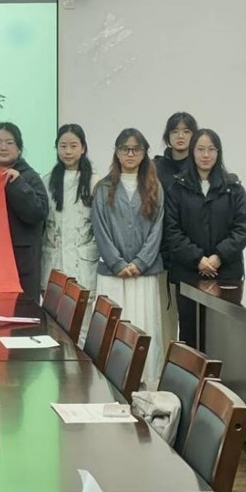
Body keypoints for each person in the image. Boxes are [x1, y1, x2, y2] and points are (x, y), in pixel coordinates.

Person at [164, 129, 246, 346]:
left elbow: (243, 227)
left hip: (226, 273)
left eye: (211, 150)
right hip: (188, 273)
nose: (206, 155)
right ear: (192, 152)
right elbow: (171, 230)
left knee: (224, 336)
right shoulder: (177, 187)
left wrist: (219, 256)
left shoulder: (233, 187)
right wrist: (197, 259)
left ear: (218, 152)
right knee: (190, 334)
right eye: (200, 149)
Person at [93, 128, 164, 384]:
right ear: (117, 152)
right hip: (113, 273)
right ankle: (111, 379)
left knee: (144, 326)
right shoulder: (103, 188)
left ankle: (144, 381)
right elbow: (100, 229)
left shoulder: (155, 187)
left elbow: (157, 229)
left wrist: (140, 263)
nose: (130, 154)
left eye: (136, 149)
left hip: (143, 274)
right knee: (114, 328)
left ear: (144, 153)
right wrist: (117, 263)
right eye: (125, 149)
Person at [0, 122, 48, 302]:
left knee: (21, 313)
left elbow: (37, 213)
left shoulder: (29, 177)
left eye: (9, 142)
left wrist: (17, 185)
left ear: (19, 148)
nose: (3, 147)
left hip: (20, 264)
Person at [41, 125, 98, 328]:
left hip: (84, 262)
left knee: (82, 326)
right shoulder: (47, 181)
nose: (68, 151)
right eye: (63, 146)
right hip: (54, 261)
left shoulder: (95, 182)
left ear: (83, 148)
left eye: (73, 146)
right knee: (53, 324)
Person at [154, 112, 197, 352]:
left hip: (194, 259)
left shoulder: (201, 166)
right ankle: (166, 370)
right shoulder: (155, 168)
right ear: (167, 136)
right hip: (163, 256)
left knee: (194, 326)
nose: (180, 136)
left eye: (186, 131)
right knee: (165, 324)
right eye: (175, 131)